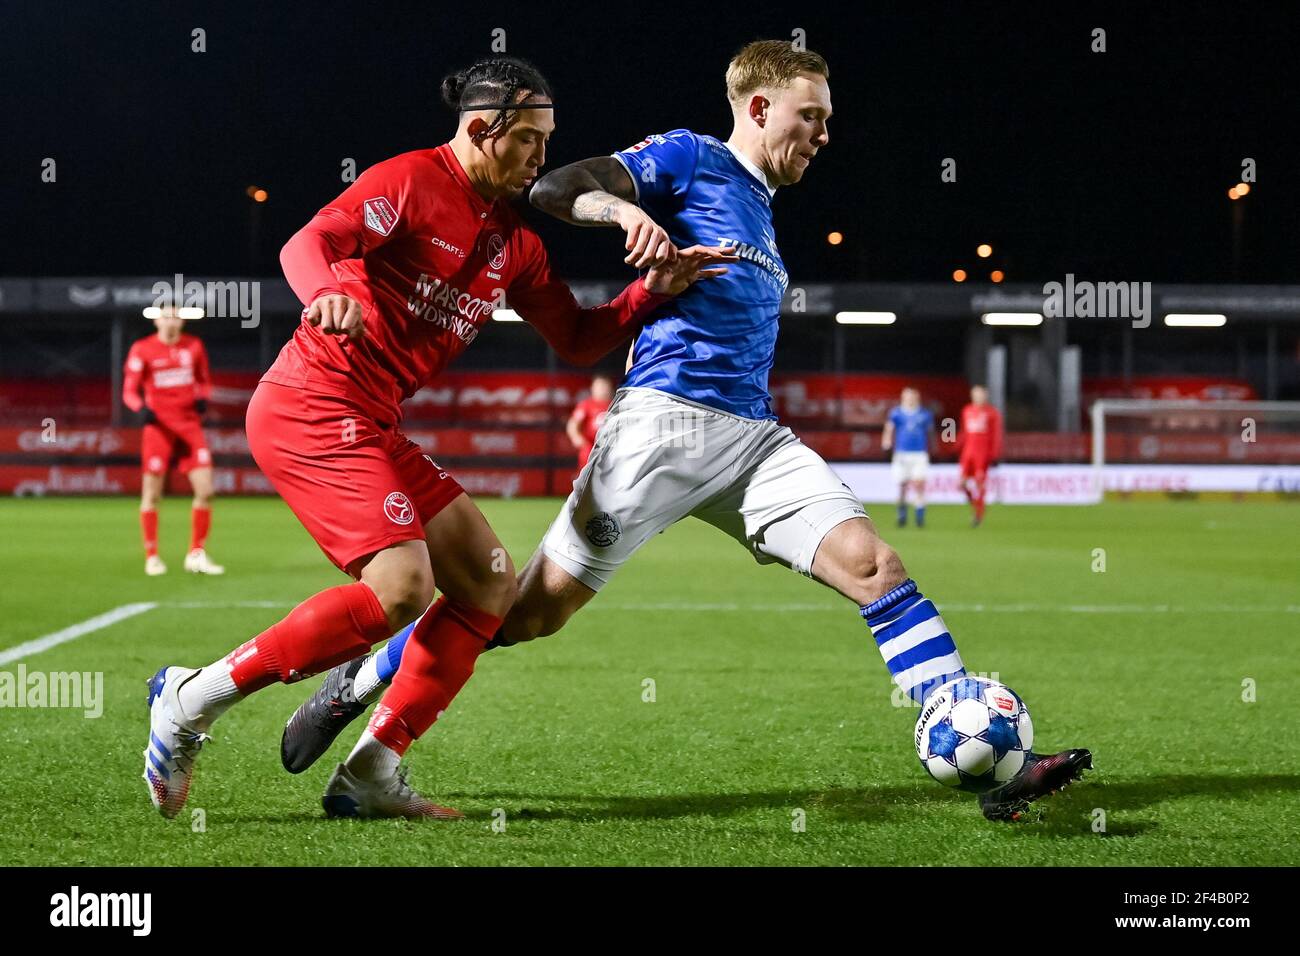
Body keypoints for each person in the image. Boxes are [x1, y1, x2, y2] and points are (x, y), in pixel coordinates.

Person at [287, 40, 1090, 823]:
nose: (822, 133)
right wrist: (623, 210)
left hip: (755, 440)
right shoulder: (691, 157)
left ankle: (987, 751)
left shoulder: (763, 212)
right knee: (526, 612)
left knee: (874, 563)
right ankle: (367, 679)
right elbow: (560, 187)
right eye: (810, 116)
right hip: (660, 431)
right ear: (761, 106)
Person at [140, 55, 730, 821]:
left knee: (487, 582)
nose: (541, 159)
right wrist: (331, 292)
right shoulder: (411, 181)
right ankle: (190, 698)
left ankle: (371, 771)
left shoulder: (515, 241)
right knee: (402, 588)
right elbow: (308, 243)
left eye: (548, 143)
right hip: (311, 404)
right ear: (482, 129)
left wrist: (650, 293)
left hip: (373, 421)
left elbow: (580, 339)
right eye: (530, 140)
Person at [122, 304, 223, 576]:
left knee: (206, 490)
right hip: (159, 428)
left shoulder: (194, 346)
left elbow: (204, 380)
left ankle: (196, 554)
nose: (171, 321)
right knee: (152, 494)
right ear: (157, 321)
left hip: (189, 425)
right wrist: (140, 409)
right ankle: (152, 556)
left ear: (182, 322)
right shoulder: (142, 349)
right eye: (166, 316)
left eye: (176, 316)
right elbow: (129, 391)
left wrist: (203, 397)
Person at [881, 387, 935, 528]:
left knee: (918, 484)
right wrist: (886, 440)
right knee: (902, 485)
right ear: (903, 398)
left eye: (912, 396)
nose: (910, 399)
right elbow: (889, 427)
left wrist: (933, 447)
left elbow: (930, 432)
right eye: (907, 396)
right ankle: (902, 514)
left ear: (917, 398)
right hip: (902, 454)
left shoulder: (925, 414)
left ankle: (919, 516)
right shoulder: (896, 413)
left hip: (919, 454)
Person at [958, 385, 1003, 528]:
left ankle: (979, 514)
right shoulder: (967, 410)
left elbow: (997, 434)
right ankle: (975, 505)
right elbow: (963, 432)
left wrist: (994, 453)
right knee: (962, 484)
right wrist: (955, 444)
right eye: (975, 394)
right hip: (967, 452)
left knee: (979, 483)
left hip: (982, 453)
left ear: (985, 396)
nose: (978, 397)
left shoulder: (992, 413)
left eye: (980, 394)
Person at [566, 373, 615, 474]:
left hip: (610, 446)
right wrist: (576, 437)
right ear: (593, 388)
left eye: (604, 386)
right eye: (599, 387)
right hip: (590, 446)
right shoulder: (587, 405)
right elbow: (573, 423)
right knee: (587, 470)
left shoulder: (614, 405)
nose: (602, 390)